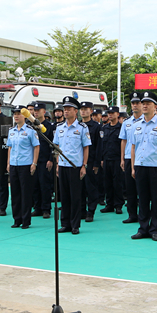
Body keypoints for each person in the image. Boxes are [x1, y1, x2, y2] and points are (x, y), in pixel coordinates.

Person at [130, 91, 157, 242]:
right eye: (143, 103)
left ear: (155, 106)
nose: (145, 106)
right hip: (140, 166)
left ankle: (155, 230)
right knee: (142, 199)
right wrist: (133, 167)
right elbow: (133, 147)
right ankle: (143, 229)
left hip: (155, 167)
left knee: (155, 199)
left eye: (148, 103)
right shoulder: (136, 125)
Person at [53, 96, 91, 235]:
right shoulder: (59, 127)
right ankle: (65, 223)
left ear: (76, 111)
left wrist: (84, 165)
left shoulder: (82, 127)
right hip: (62, 165)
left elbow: (86, 147)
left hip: (75, 166)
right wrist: (57, 164)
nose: (66, 111)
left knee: (75, 197)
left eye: (69, 109)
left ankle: (75, 225)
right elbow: (57, 146)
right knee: (64, 196)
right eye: (65, 109)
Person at [7, 106, 40, 229]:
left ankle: (26, 220)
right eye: (14, 114)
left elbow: (36, 146)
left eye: (19, 114)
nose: (16, 116)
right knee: (15, 193)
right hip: (14, 164)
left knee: (25, 193)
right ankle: (17, 219)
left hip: (26, 164)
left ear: (24, 116)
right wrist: (8, 163)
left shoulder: (30, 130)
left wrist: (34, 163)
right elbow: (10, 147)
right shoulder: (12, 131)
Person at [119, 92, 144, 224]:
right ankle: (132, 214)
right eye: (133, 103)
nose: (135, 105)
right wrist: (122, 159)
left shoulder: (147, 121)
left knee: (142, 188)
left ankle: (144, 213)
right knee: (130, 188)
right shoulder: (126, 122)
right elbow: (123, 141)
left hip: (142, 158)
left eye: (137, 103)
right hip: (129, 158)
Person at [79, 101, 102, 222]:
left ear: (91, 111)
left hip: (91, 161)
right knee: (80, 188)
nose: (83, 111)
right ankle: (82, 210)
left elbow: (99, 146)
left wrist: (97, 164)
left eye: (86, 109)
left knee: (91, 188)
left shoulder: (96, 126)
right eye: (82, 109)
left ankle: (91, 211)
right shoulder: (77, 125)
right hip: (78, 161)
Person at [99, 106, 124, 215]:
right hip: (106, 158)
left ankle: (118, 205)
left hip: (117, 158)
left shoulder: (121, 128)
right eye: (109, 113)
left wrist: (122, 159)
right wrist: (101, 158)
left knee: (117, 183)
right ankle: (109, 204)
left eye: (112, 113)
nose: (110, 115)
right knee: (107, 182)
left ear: (118, 114)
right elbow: (102, 144)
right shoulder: (104, 128)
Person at [30, 102, 54, 219]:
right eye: (35, 110)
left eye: (38, 110)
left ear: (44, 112)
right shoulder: (31, 125)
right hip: (34, 159)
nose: (36, 112)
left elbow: (53, 144)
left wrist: (51, 159)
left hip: (45, 159)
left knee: (45, 185)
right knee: (35, 185)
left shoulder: (49, 126)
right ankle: (37, 208)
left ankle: (46, 209)